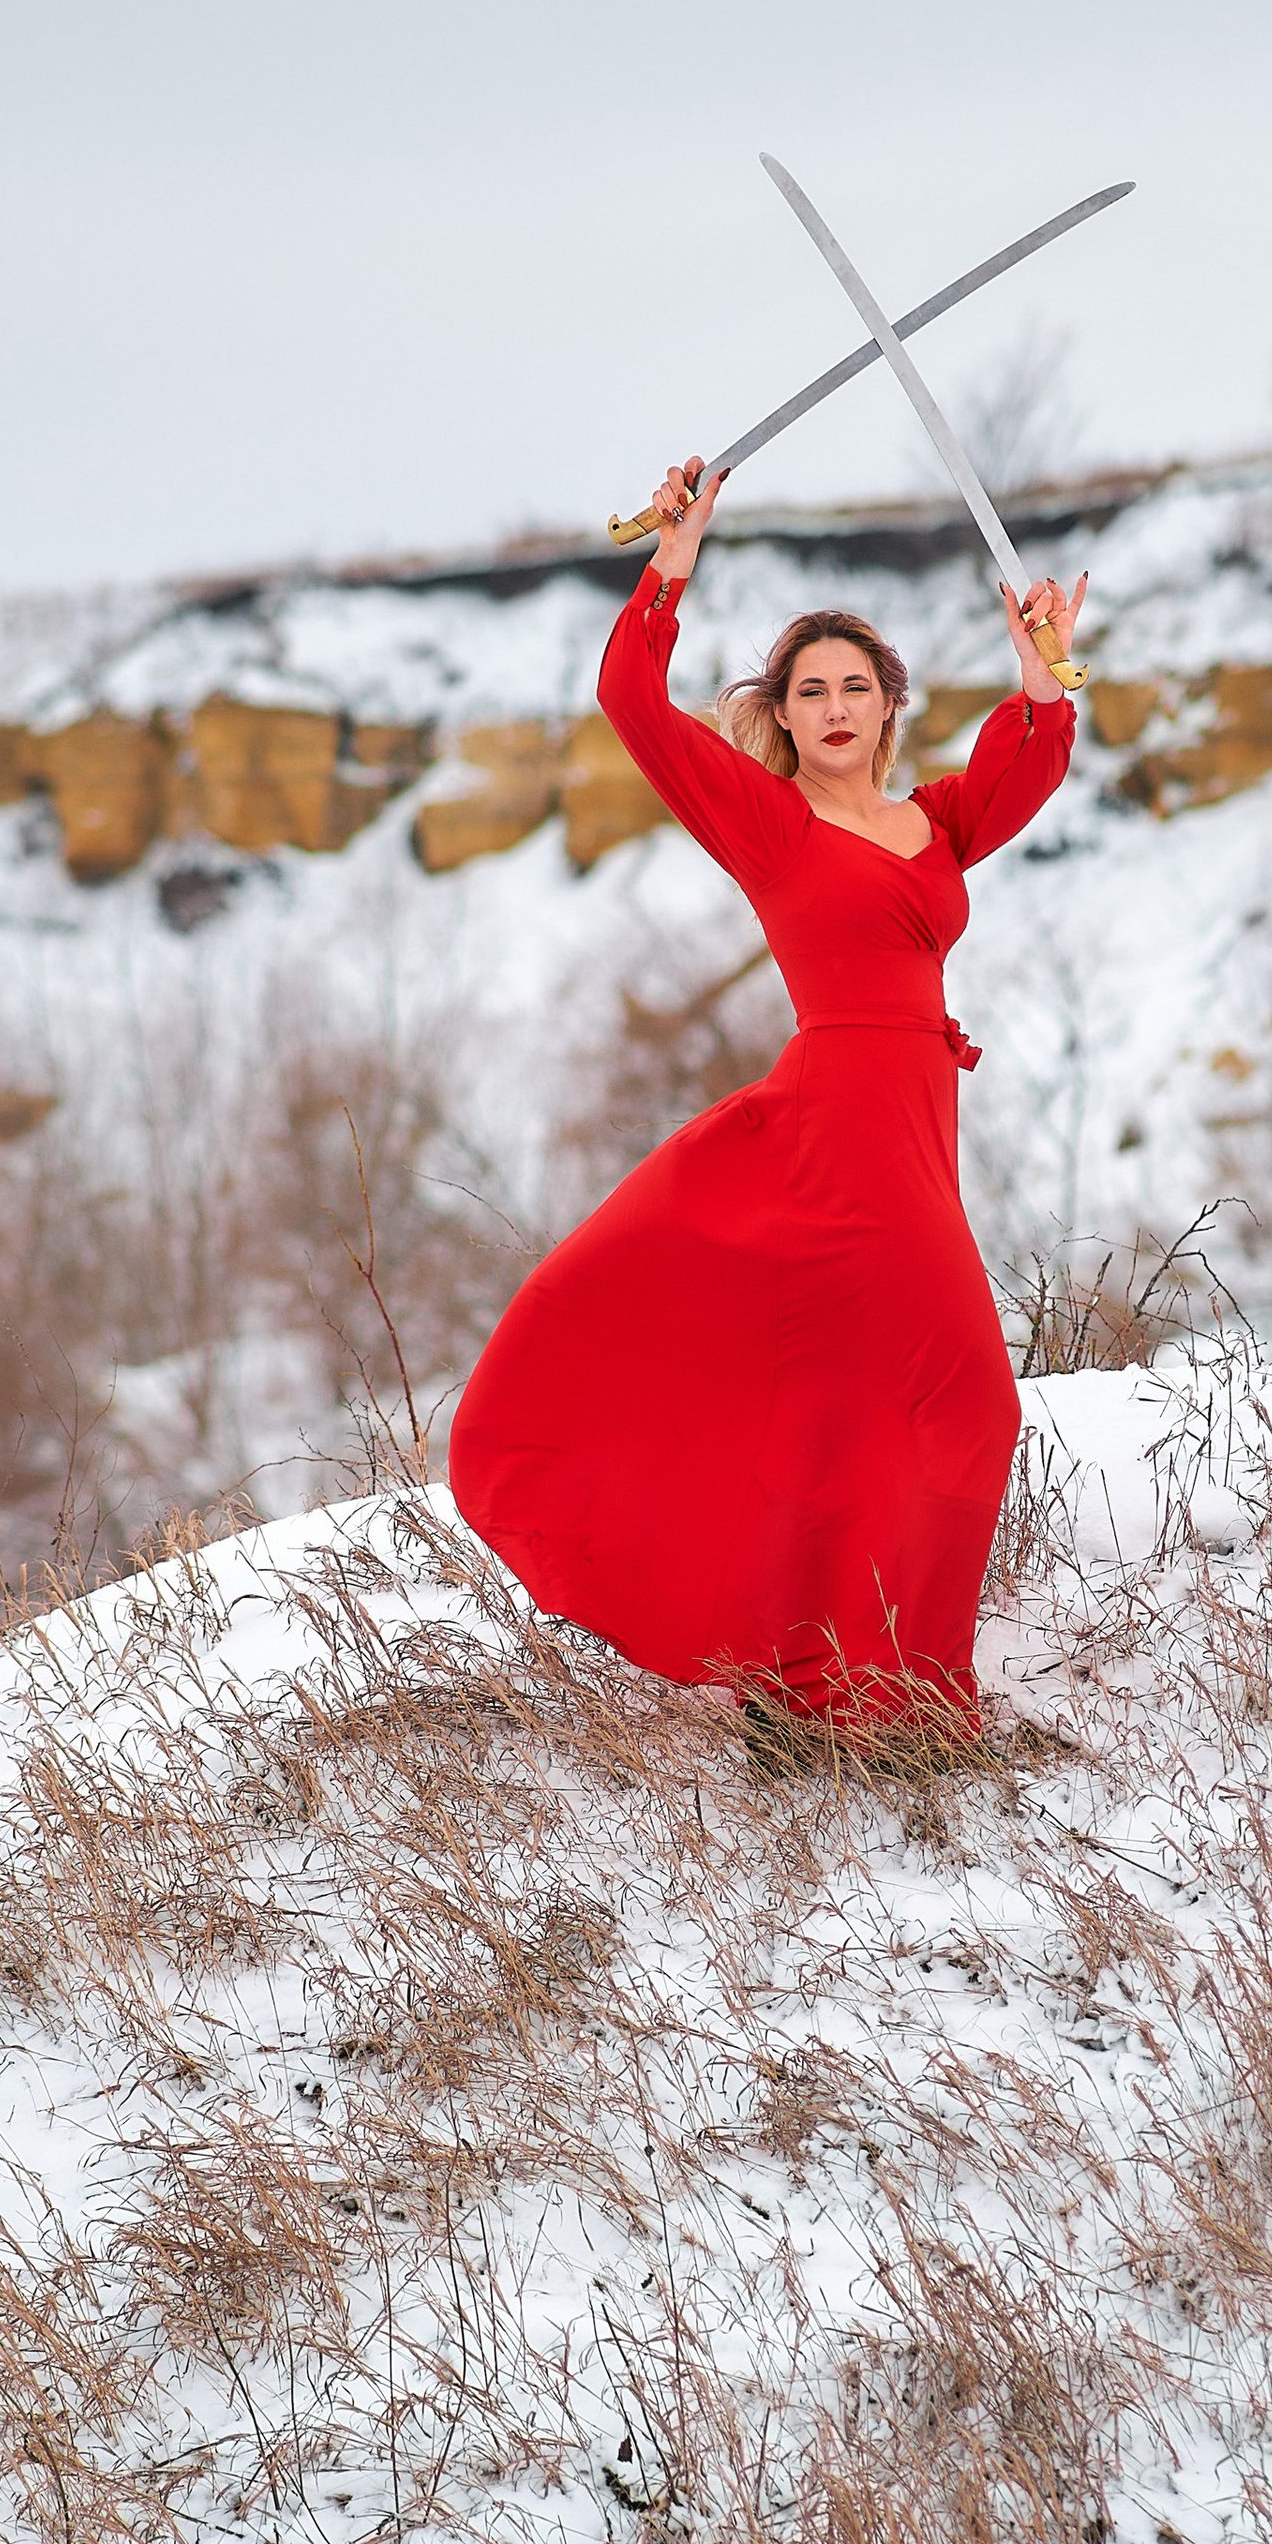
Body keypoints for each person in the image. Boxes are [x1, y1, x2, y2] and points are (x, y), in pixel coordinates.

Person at [449, 458, 1085, 1735]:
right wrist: (674, 561)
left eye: (857, 686)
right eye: (811, 691)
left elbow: (1029, 766)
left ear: (891, 706)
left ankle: (840, 1679)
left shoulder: (933, 823)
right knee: (967, 1392)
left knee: (866, 1404)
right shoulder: (769, 820)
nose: (835, 706)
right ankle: (893, 1689)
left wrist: (1041, 668)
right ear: (783, 718)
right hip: (840, 1123)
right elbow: (629, 698)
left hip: (915, 1116)